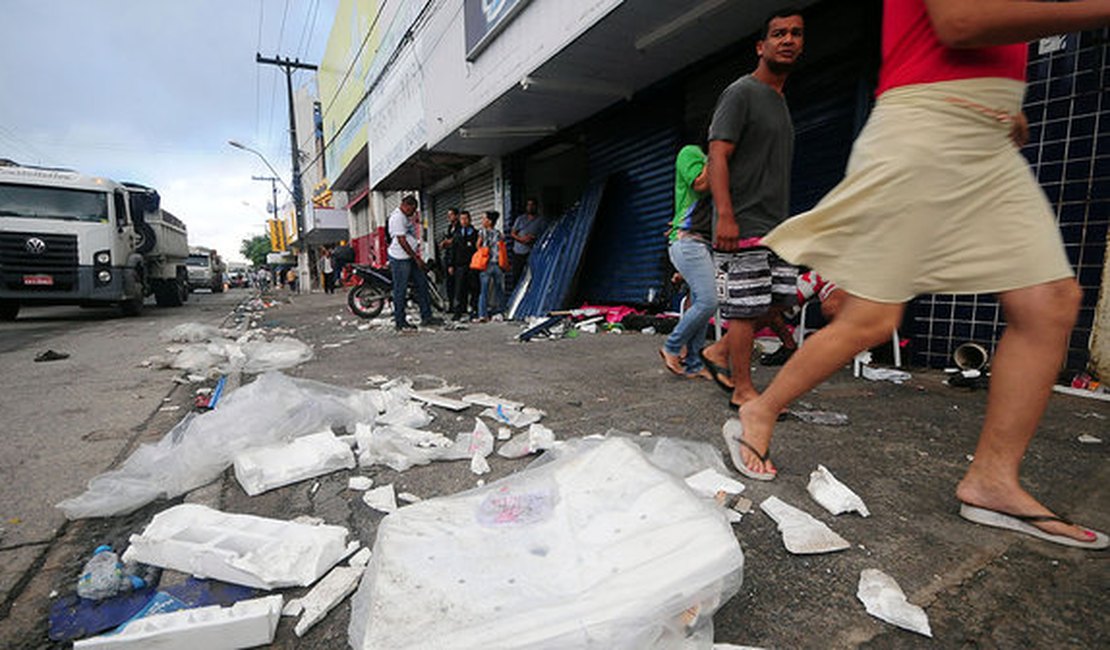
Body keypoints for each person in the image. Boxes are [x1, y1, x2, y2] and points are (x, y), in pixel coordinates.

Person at [733, 0, 1109, 549]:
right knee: (871, 316)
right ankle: (760, 409)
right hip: (924, 127)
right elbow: (960, 21)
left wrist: (1002, 99)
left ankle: (992, 479)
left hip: (987, 135)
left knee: (1050, 301)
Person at [697, 9, 804, 408]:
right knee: (744, 310)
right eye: (779, 34)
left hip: (777, 225)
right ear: (761, 46)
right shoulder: (741, 92)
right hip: (742, 221)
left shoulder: (779, 101)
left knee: (779, 302)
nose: (788, 40)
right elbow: (718, 155)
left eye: (796, 33)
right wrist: (725, 215)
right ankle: (743, 390)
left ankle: (720, 352)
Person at [659, 144, 717, 380]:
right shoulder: (690, 153)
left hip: (704, 242)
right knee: (709, 300)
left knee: (698, 302)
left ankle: (694, 362)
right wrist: (719, 155)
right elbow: (700, 184)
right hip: (687, 240)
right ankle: (672, 346)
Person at [388, 195, 442, 331]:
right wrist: (416, 258)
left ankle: (427, 316)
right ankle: (400, 322)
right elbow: (402, 241)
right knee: (400, 290)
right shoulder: (397, 217)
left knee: (422, 284)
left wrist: (416, 257)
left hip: (409, 257)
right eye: (413, 209)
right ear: (407, 205)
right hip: (400, 258)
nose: (413, 213)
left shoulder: (405, 217)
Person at [509, 198, 546, 291]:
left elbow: (544, 235)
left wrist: (533, 238)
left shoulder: (541, 220)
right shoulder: (520, 219)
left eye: (532, 205)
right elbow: (513, 233)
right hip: (518, 252)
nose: (530, 207)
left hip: (532, 251)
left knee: (532, 275)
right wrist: (521, 239)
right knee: (517, 275)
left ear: (536, 207)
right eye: (528, 205)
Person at [477, 211, 506, 321]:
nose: (482, 221)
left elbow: (478, 245)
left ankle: (482, 314)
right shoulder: (498, 233)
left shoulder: (481, 232)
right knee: (499, 289)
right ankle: (501, 311)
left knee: (484, 290)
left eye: (484, 219)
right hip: (497, 264)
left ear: (489, 221)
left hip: (485, 264)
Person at [451, 210, 479, 320]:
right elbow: (453, 250)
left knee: (474, 288)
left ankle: (473, 309)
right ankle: (458, 311)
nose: (463, 221)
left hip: (472, 265)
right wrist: (451, 264)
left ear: (470, 219)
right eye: (462, 219)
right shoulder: (457, 234)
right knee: (459, 289)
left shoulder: (475, 233)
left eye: (465, 219)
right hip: (460, 265)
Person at [439, 208, 460, 312]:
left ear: (456, 216)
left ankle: (458, 306)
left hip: (457, 260)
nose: (449, 217)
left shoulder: (460, 228)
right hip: (448, 259)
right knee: (449, 284)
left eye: (451, 215)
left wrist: (449, 242)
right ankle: (451, 305)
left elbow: (457, 240)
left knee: (457, 284)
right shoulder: (449, 228)